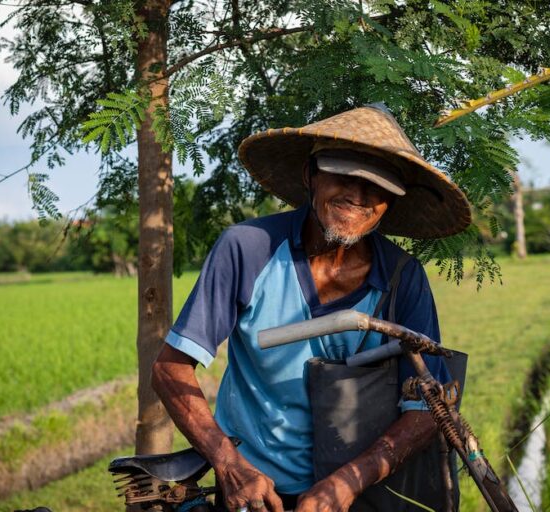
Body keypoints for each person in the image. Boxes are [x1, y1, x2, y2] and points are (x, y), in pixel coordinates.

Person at [152, 104, 471, 512]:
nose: (358, 196)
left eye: (376, 187)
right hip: (256, 493)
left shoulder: (402, 279)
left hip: (360, 492)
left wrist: (349, 481)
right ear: (311, 176)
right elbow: (170, 368)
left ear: (389, 202)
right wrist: (229, 465)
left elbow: (428, 406)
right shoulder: (249, 249)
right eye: (344, 176)